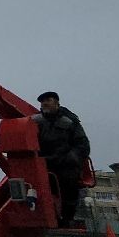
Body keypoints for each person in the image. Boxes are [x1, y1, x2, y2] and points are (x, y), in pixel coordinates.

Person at [30, 91, 90, 226]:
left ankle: (67, 218)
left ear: (57, 103)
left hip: (64, 164)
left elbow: (82, 145)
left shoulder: (69, 121)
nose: (44, 103)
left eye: (48, 100)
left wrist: (69, 158)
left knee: (69, 183)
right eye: (42, 101)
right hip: (43, 163)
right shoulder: (35, 122)